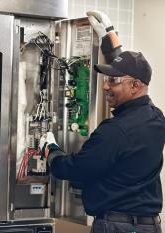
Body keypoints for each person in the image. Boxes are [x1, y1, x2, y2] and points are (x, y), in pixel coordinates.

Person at [40, 11, 165, 233]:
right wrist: (110, 39)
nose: (106, 86)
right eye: (107, 79)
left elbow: (78, 169)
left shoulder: (115, 131)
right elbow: (130, 69)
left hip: (117, 226)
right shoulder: (156, 119)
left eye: (114, 80)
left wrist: (51, 151)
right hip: (149, 226)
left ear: (135, 86)